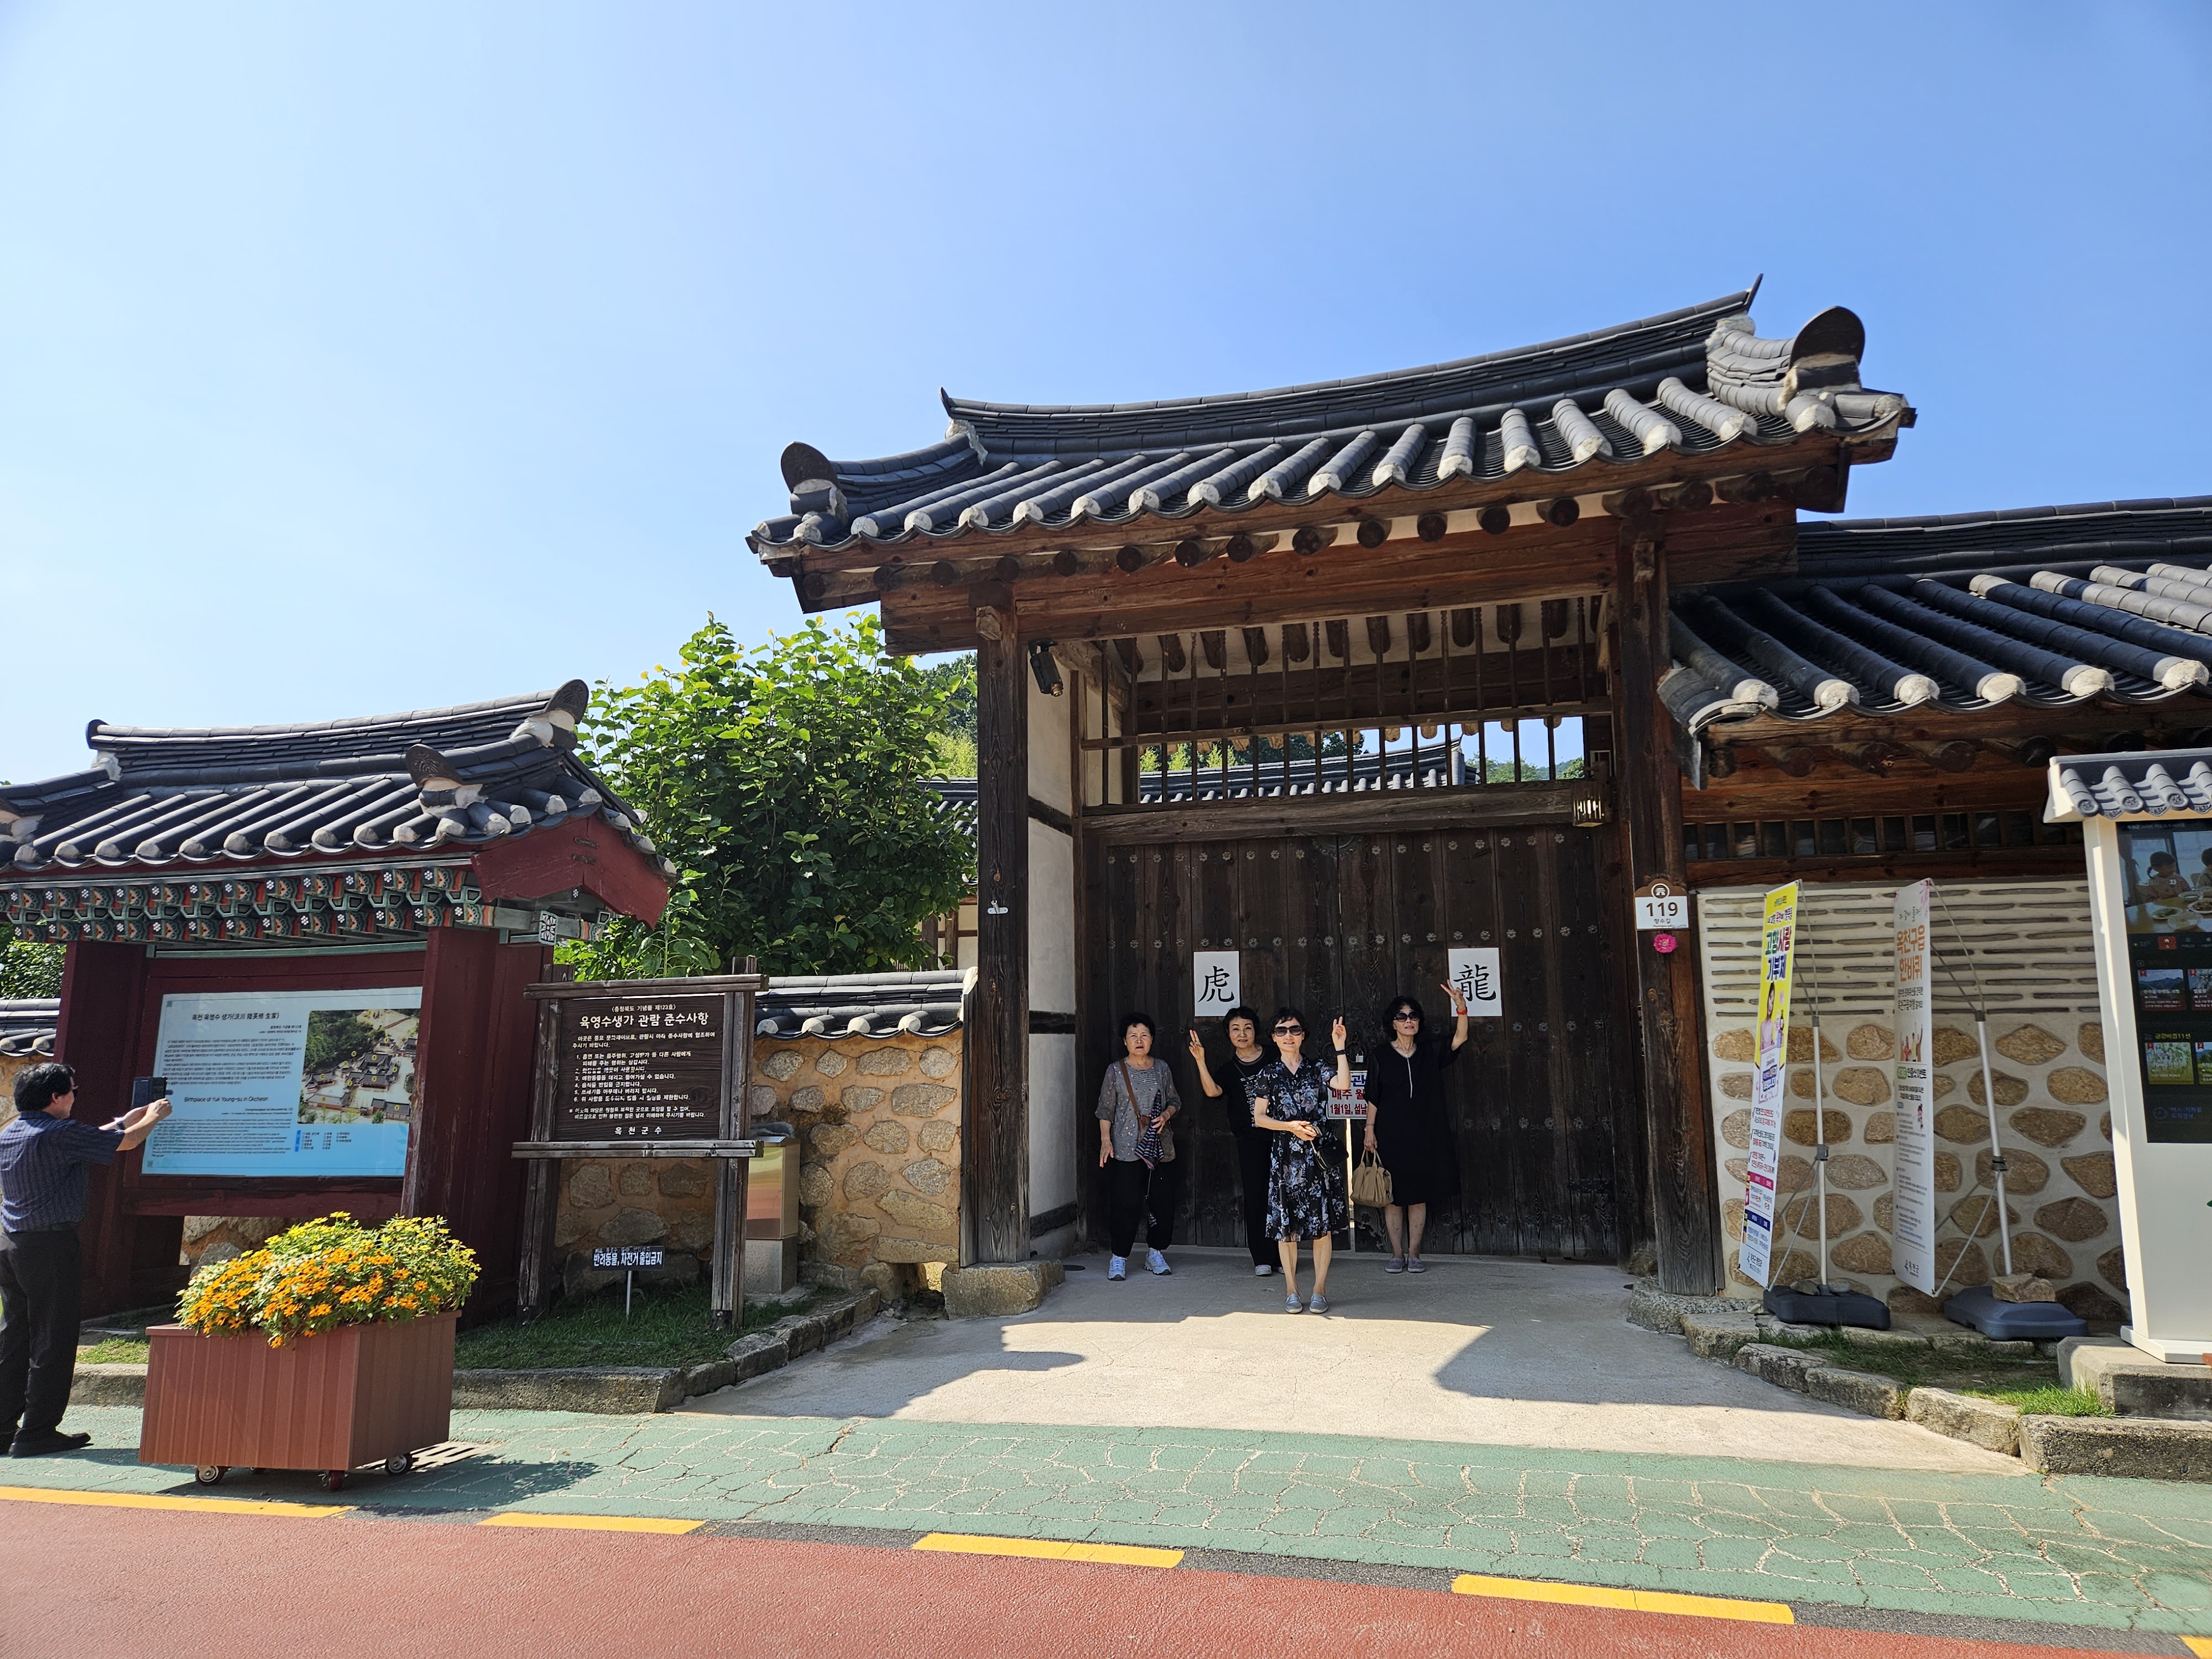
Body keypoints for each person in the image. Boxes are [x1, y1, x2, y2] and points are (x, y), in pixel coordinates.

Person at [0, 1063, 171, 1456]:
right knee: (54, 1338)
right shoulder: (60, 1133)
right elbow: (128, 1143)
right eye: (72, 1091)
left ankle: (3, 1427)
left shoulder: (11, 1131)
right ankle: (38, 1431)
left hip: (11, 1244)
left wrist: (124, 1120)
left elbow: (98, 1136)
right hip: (50, 1246)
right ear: (56, 1097)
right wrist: (154, 1116)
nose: (75, 1098)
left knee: (14, 1337)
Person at [1250, 1006, 1351, 1313]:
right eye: (1281, 1031)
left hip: (1318, 1155)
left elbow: (1343, 1084)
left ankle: (1320, 1289)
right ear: (1274, 1037)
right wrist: (1289, 1126)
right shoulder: (1268, 1074)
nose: (1288, 1036)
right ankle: (1291, 1290)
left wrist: (1340, 1048)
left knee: (1322, 1226)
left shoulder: (1317, 1067)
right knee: (1287, 1227)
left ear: (1303, 1035)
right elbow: (1259, 1118)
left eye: (1294, 1030)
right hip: (1286, 1157)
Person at [1363, 987, 1470, 1274]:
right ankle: (1397, 1254)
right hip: (1390, 1133)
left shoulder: (1429, 1052)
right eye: (1402, 1016)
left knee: (1418, 1194)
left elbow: (1460, 1038)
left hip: (1425, 1133)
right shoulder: (1381, 1055)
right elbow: (1373, 1095)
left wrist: (1461, 1007)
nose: (1408, 1020)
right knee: (1393, 1195)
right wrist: (1369, 1129)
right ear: (1393, 1023)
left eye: (1413, 1016)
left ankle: (1414, 1254)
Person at [1188, 1005, 1277, 1276]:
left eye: (1247, 1028)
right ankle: (1262, 1258)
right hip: (1250, 1139)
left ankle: (1283, 1256)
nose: (1242, 1034)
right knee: (1256, 1195)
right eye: (1236, 1029)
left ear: (1256, 1030)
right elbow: (1213, 1092)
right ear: (1228, 1034)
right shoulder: (1228, 1069)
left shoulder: (1274, 1055)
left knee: (1282, 1194)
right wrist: (1201, 1060)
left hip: (1282, 1134)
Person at [1095, 1013, 1181, 1281]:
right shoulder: (1115, 1071)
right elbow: (1105, 1109)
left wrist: (1166, 1115)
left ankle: (1155, 1252)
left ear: (1152, 1039)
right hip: (1125, 1145)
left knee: (1162, 1202)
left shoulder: (1162, 1069)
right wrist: (1106, 1140)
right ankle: (1119, 1257)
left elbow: (1175, 1101)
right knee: (1127, 1202)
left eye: (1144, 1035)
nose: (1139, 1040)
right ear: (1125, 1041)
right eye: (1133, 1036)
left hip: (1159, 1145)